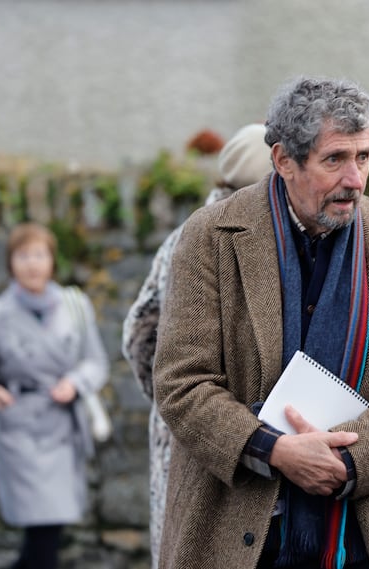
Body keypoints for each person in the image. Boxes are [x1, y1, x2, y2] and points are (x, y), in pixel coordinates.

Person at [152, 76, 369, 569]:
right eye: (334, 159)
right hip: (234, 533)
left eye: (364, 157)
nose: (355, 179)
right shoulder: (211, 238)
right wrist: (275, 450)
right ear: (284, 161)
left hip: (359, 538)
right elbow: (182, 383)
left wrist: (347, 461)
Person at [121, 122, 273, 569]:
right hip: (199, 432)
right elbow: (141, 335)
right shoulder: (210, 237)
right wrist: (184, 401)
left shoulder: (189, 234)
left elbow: (137, 335)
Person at [0, 223, 109, 569]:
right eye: (23, 255)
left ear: (52, 261)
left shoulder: (74, 305)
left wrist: (75, 383)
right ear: (10, 263)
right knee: (41, 530)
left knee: (50, 530)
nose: (32, 264)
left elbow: (96, 362)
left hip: (62, 427)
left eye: (39, 255)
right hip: (18, 428)